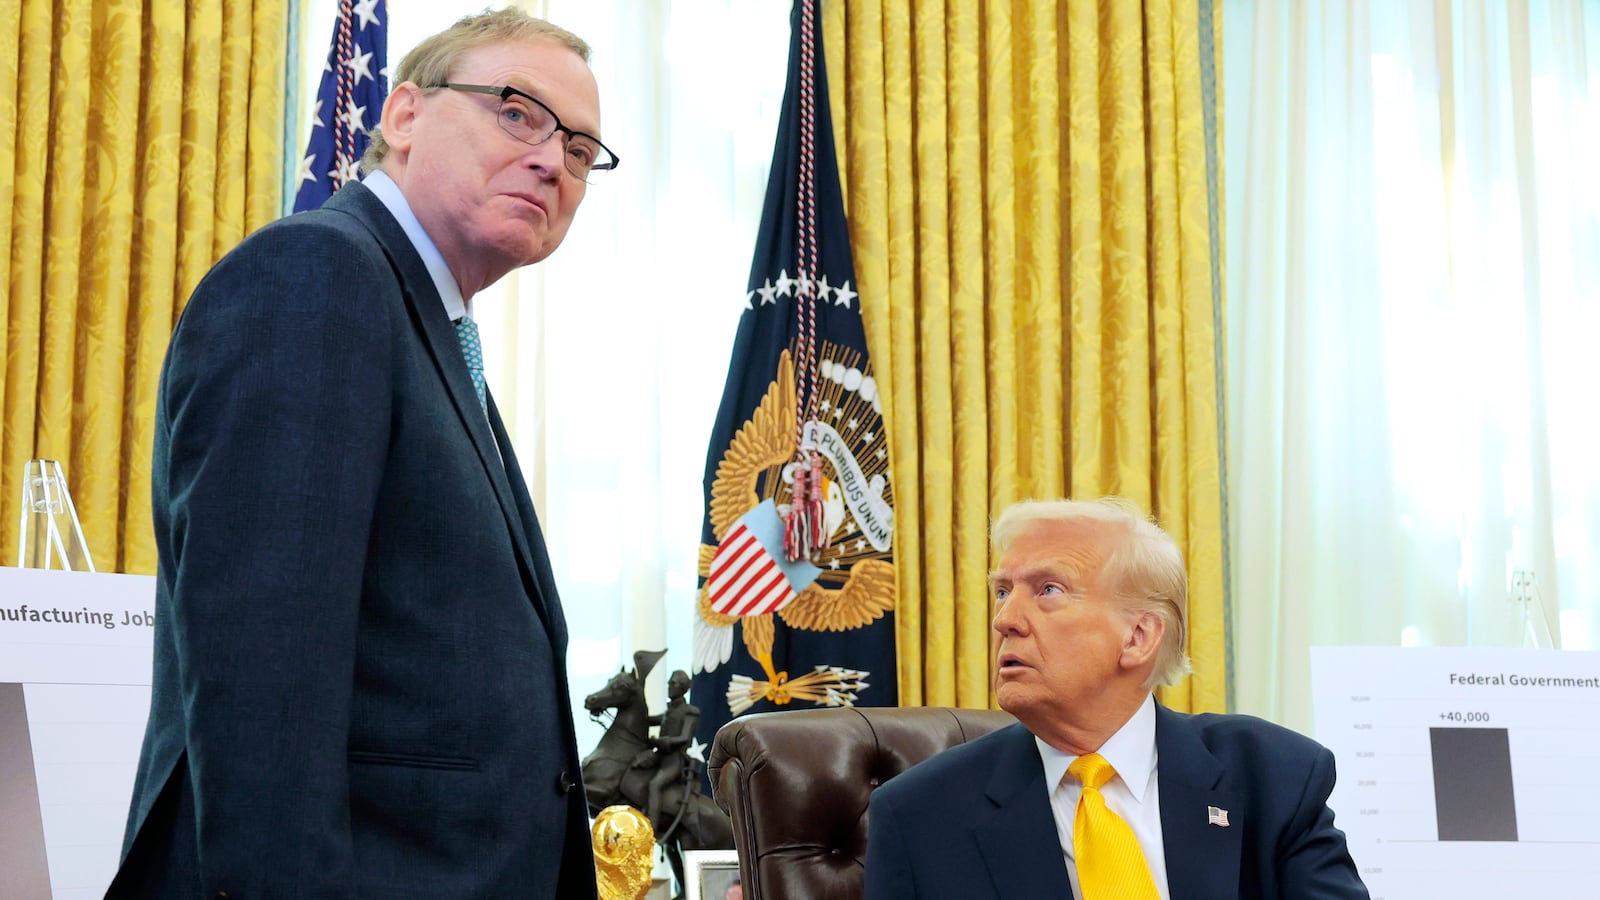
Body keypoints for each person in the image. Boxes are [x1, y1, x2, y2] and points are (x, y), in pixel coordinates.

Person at [106, 9, 618, 898]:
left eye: (580, 150)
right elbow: (263, 692)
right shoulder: (317, 276)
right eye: (517, 112)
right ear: (406, 116)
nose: (552, 160)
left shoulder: (426, 322)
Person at [863, 498, 1369, 899]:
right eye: (1002, 591)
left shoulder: (1273, 777)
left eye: (1048, 590)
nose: (1005, 620)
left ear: (1138, 637)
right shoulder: (919, 816)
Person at [636, 669, 698, 836]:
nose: (669, 686)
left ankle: (651, 827)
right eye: (669, 683)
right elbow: (647, 720)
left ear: (683, 687)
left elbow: (684, 737)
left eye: (673, 683)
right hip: (660, 756)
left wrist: (664, 741)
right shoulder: (668, 711)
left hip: (674, 760)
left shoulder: (690, 711)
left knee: (655, 784)